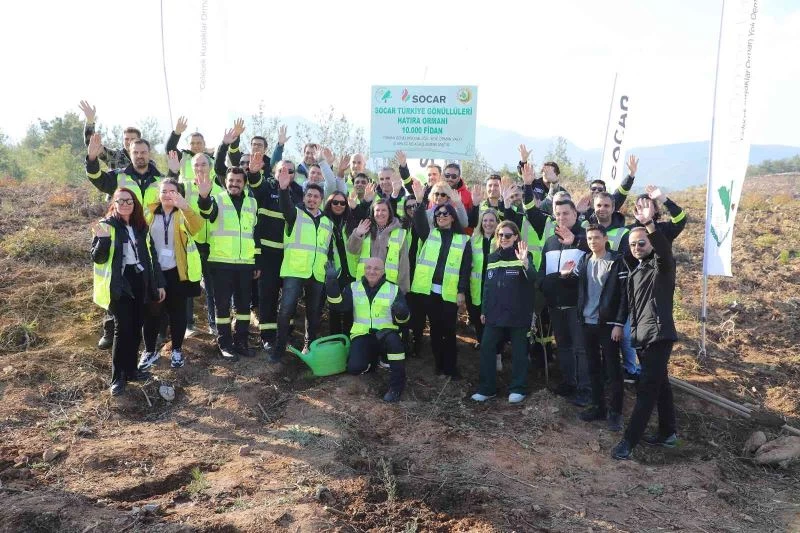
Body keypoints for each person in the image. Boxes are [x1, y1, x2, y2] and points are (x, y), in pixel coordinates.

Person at [613, 197, 679, 460]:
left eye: (642, 243)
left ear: (650, 243)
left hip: (659, 335)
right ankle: (668, 432)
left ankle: (629, 442)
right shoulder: (634, 271)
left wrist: (650, 223)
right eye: (633, 244)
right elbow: (628, 305)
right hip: (641, 338)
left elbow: (664, 251)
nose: (637, 247)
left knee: (647, 389)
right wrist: (620, 325)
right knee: (660, 384)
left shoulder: (662, 267)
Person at [86, 134, 164, 350]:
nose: (140, 156)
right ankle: (111, 331)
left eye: (144, 152)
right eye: (136, 153)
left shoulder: (159, 179)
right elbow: (98, 179)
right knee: (117, 285)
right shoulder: (119, 176)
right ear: (129, 154)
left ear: (149, 154)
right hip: (121, 237)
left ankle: (151, 333)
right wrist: (92, 159)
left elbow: (172, 195)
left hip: (149, 239)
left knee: (148, 286)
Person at [91, 189, 165, 396]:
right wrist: (103, 240)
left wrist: (158, 283)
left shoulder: (141, 226)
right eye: (120, 200)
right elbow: (98, 258)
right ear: (114, 203)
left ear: (135, 204)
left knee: (136, 327)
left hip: (139, 280)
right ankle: (118, 378)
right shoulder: (105, 226)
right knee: (122, 329)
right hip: (118, 283)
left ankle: (132, 370)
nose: (125, 204)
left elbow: (152, 257)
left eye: (129, 201)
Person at [561, 224, 628, 431]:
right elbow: (579, 285)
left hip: (608, 325)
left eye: (596, 238)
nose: (592, 241)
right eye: (589, 238)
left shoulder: (617, 261)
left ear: (605, 238)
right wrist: (566, 275)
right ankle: (598, 406)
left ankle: (615, 412)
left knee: (613, 369)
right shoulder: (585, 260)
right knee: (593, 368)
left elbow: (624, 296)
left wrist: (618, 324)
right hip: (587, 322)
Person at [618, 184, 687, 383]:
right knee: (635, 325)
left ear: (655, 209)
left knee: (657, 323)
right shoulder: (630, 231)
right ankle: (639, 370)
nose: (643, 209)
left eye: (648, 205)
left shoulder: (663, 228)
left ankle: (650, 376)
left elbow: (681, 219)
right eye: (639, 206)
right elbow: (625, 257)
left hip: (660, 280)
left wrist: (664, 199)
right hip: (638, 283)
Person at [135, 178, 204, 371]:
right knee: (152, 314)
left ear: (179, 194)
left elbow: (198, 229)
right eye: (164, 191)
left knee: (178, 313)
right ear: (159, 194)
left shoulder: (183, 213)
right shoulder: (148, 213)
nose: (167, 195)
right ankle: (150, 351)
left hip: (177, 272)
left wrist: (186, 207)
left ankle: (176, 350)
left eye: (172, 191)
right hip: (153, 273)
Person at [325, 257, 410, 402]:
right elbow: (338, 306)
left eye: (376, 268)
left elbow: (403, 321)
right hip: (362, 334)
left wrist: (402, 312)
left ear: (383, 271)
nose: (372, 271)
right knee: (354, 368)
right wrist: (331, 282)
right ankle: (372, 362)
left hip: (386, 335)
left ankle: (396, 387)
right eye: (368, 267)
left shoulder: (393, 289)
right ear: (364, 270)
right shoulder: (353, 287)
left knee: (395, 342)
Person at [196, 168, 260, 360]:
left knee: (243, 308)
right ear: (226, 182)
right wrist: (204, 196)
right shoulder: (218, 199)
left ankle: (241, 342)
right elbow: (206, 211)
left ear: (244, 183)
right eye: (231, 180)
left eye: (238, 181)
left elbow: (254, 234)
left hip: (245, 264)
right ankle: (225, 344)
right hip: (221, 263)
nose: (234, 184)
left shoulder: (252, 203)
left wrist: (257, 262)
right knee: (222, 307)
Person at [410, 181, 472, 378]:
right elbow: (419, 221)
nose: (441, 217)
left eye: (445, 214)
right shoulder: (430, 234)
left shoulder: (463, 240)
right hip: (430, 292)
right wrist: (420, 201)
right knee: (435, 331)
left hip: (450, 293)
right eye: (438, 215)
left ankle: (451, 368)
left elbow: (464, 268)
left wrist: (461, 291)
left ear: (452, 218)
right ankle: (439, 366)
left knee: (449, 331)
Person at [271, 167, 332, 362]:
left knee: (313, 313)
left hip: (316, 274)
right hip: (295, 270)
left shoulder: (327, 222)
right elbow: (285, 205)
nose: (312, 199)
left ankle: (309, 345)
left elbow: (327, 249)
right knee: (286, 309)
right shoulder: (294, 214)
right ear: (304, 197)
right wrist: (282, 189)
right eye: (309, 196)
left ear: (321, 200)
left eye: (316, 197)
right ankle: (279, 348)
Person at [471, 221, 536, 404]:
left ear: (516, 237)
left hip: (518, 314)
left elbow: (533, 279)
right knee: (487, 348)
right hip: (494, 314)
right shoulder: (492, 257)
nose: (504, 238)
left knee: (519, 352)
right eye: (500, 235)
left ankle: (518, 388)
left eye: (508, 235)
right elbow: (488, 286)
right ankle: (487, 388)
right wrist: (484, 309)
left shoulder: (524, 255)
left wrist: (525, 263)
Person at [246, 157, 304, 351]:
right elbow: (255, 183)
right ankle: (268, 337)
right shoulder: (267, 187)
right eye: (281, 170)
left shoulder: (298, 192)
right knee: (267, 297)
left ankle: (286, 335)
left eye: (290, 170)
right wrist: (253, 173)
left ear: (295, 175)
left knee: (289, 298)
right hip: (268, 255)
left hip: (290, 255)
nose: (285, 173)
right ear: (273, 172)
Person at [539, 199, 591, 406]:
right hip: (555, 305)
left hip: (577, 305)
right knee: (564, 348)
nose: (561, 217)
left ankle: (585, 389)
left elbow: (596, 261)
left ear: (575, 215)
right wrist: (547, 284)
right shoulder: (550, 241)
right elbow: (544, 271)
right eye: (558, 214)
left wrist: (577, 241)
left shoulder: (584, 239)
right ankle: (569, 383)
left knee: (581, 349)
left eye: (566, 213)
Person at [167, 151, 222, 337]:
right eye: (196, 165)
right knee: (189, 284)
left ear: (210, 167)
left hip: (213, 244)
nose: (199, 168)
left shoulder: (220, 190)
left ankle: (213, 324)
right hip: (192, 244)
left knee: (213, 287)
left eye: (203, 164)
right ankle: (188, 325)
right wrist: (173, 172)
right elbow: (169, 190)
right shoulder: (186, 187)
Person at [347, 199, 410, 293]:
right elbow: (352, 250)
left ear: (389, 213)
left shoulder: (400, 233)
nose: (380, 213)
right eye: (377, 210)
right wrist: (357, 234)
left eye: (384, 210)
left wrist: (402, 289)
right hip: (365, 280)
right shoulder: (364, 228)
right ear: (373, 213)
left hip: (389, 283)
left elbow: (403, 263)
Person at [467, 209, 499, 359]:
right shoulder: (474, 240)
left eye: (491, 220)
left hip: (495, 289)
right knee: (477, 317)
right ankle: (481, 342)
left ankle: (497, 352)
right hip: (476, 287)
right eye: (485, 220)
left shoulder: (501, 240)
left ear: (497, 223)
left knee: (494, 321)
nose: (488, 223)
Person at [324, 191, 356, 336]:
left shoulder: (351, 221)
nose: (339, 205)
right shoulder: (323, 220)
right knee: (334, 311)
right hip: (333, 273)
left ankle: (349, 344)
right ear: (329, 204)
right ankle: (335, 342)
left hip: (351, 273)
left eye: (342, 203)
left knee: (351, 312)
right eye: (335, 202)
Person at [79, 100, 140, 170]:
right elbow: (92, 145)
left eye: (132, 139)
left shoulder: (147, 162)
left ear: (139, 141)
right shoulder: (115, 156)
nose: (129, 142)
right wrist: (90, 120)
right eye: (126, 139)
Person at [576, 155, 638, 221]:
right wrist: (577, 212)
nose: (596, 191)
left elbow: (622, 191)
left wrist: (631, 174)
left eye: (600, 189)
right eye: (593, 189)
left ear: (605, 192)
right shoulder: (581, 207)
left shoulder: (611, 202)